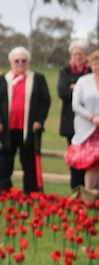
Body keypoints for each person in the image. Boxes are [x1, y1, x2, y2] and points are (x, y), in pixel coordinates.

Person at [0, 46, 51, 194]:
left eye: (24, 60)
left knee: (30, 164)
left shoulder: (38, 79)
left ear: (29, 62)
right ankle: (4, 192)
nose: (20, 63)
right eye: (17, 61)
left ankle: (31, 193)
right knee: (3, 163)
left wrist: (39, 121)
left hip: (29, 130)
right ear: (11, 63)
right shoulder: (2, 80)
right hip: (6, 130)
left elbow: (45, 101)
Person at [64, 50, 99, 195]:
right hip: (88, 129)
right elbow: (76, 105)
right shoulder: (83, 82)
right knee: (92, 166)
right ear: (90, 65)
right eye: (96, 63)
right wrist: (91, 117)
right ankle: (89, 196)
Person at [58, 40, 91, 189]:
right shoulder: (65, 71)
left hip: (91, 123)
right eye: (74, 54)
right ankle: (77, 189)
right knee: (76, 158)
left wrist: (76, 87)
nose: (77, 57)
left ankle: (91, 189)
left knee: (91, 159)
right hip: (71, 123)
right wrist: (80, 89)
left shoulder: (92, 71)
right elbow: (63, 91)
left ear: (86, 56)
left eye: (80, 54)